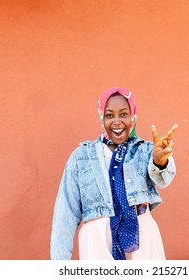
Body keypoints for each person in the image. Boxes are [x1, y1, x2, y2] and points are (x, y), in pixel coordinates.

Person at [50, 87, 178, 260]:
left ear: (132, 116)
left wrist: (159, 161)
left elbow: (163, 179)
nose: (117, 121)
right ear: (101, 118)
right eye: (110, 115)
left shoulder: (146, 150)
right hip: (96, 242)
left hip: (143, 239)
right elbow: (65, 213)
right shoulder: (81, 156)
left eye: (123, 114)